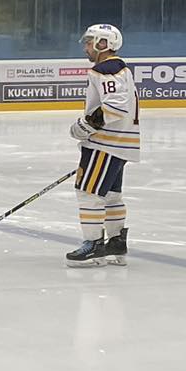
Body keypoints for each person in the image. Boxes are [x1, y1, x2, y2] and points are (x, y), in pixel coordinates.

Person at [68, 23, 138, 266]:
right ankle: (116, 243)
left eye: (90, 42)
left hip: (106, 143)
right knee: (110, 195)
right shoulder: (120, 68)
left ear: (103, 44)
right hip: (120, 143)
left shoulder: (105, 69)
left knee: (88, 193)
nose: (86, 47)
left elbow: (115, 106)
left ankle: (93, 246)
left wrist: (85, 126)